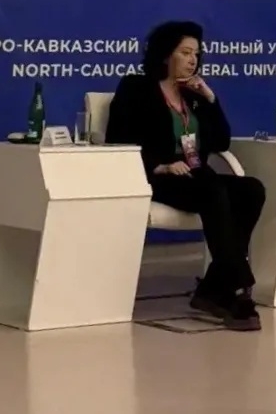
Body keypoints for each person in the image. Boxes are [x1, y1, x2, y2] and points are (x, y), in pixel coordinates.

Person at [106, 20, 267, 331]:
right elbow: (118, 139)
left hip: (196, 177)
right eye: (185, 52)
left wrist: (210, 99)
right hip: (158, 177)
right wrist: (160, 165)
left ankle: (214, 285)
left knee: (251, 190)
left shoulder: (192, 94)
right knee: (212, 190)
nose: (193, 59)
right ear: (166, 54)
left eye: (196, 53)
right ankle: (235, 287)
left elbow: (221, 142)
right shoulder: (136, 88)